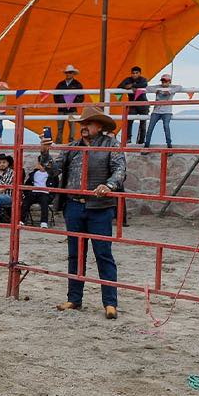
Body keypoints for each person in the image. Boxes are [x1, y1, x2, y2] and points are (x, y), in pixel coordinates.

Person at [40, 106, 127, 319]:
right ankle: (74, 298)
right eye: (82, 124)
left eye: (88, 123)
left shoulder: (111, 146)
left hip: (99, 207)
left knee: (103, 254)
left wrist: (109, 185)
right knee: (75, 254)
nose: (84, 127)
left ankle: (110, 302)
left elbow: (120, 170)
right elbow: (53, 169)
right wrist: (44, 152)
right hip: (75, 206)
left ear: (100, 126)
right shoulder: (72, 147)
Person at [144, 73, 180, 150]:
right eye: (162, 81)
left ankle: (169, 145)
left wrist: (169, 91)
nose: (164, 83)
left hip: (167, 112)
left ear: (169, 82)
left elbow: (180, 87)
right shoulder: (158, 87)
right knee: (150, 127)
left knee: (166, 126)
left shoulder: (172, 88)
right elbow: (147, 87)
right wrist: (156, 90)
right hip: (156, 111)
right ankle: (146, 145)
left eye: (166, 81)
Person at [20, 156, 54, 228]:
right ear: (38, 164)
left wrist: (51, 194)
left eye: (47, 164)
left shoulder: (51, 175)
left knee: (44, 202)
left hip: (45, 193)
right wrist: (27, 193)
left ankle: (44, 222)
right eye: (42, 164)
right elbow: (27, 184)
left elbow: (55, 185)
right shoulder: (34, 174)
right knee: (26, 201)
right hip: (34, 192)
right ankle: (21, 220)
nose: (44, 166)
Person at [53, 64, 83, 144]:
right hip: (61, 108)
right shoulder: (60, 84)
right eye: (67, 72)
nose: (68, 74)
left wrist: (72, 104)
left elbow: (81, 97)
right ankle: (59, 142)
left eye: (70, 72)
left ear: (73, 73)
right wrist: (61, 104)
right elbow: (55, 96)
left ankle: (71, 143)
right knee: (60, 127)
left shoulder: (77, 84)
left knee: (72, 127)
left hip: (72, 109)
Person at [118, 66, 148, 144]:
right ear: (131, 74)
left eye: (136, 73)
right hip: (132, 104)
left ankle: (141, 140)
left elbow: (144, 84)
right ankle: (128, 139)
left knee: (143, 123)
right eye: (133, 73)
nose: (134, 75)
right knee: (129, 121)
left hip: (143, 104)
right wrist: (131, 86)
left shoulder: (143, 79)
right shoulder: (128, 79)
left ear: (140, 73)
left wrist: (132, 86)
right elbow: (119, 86)